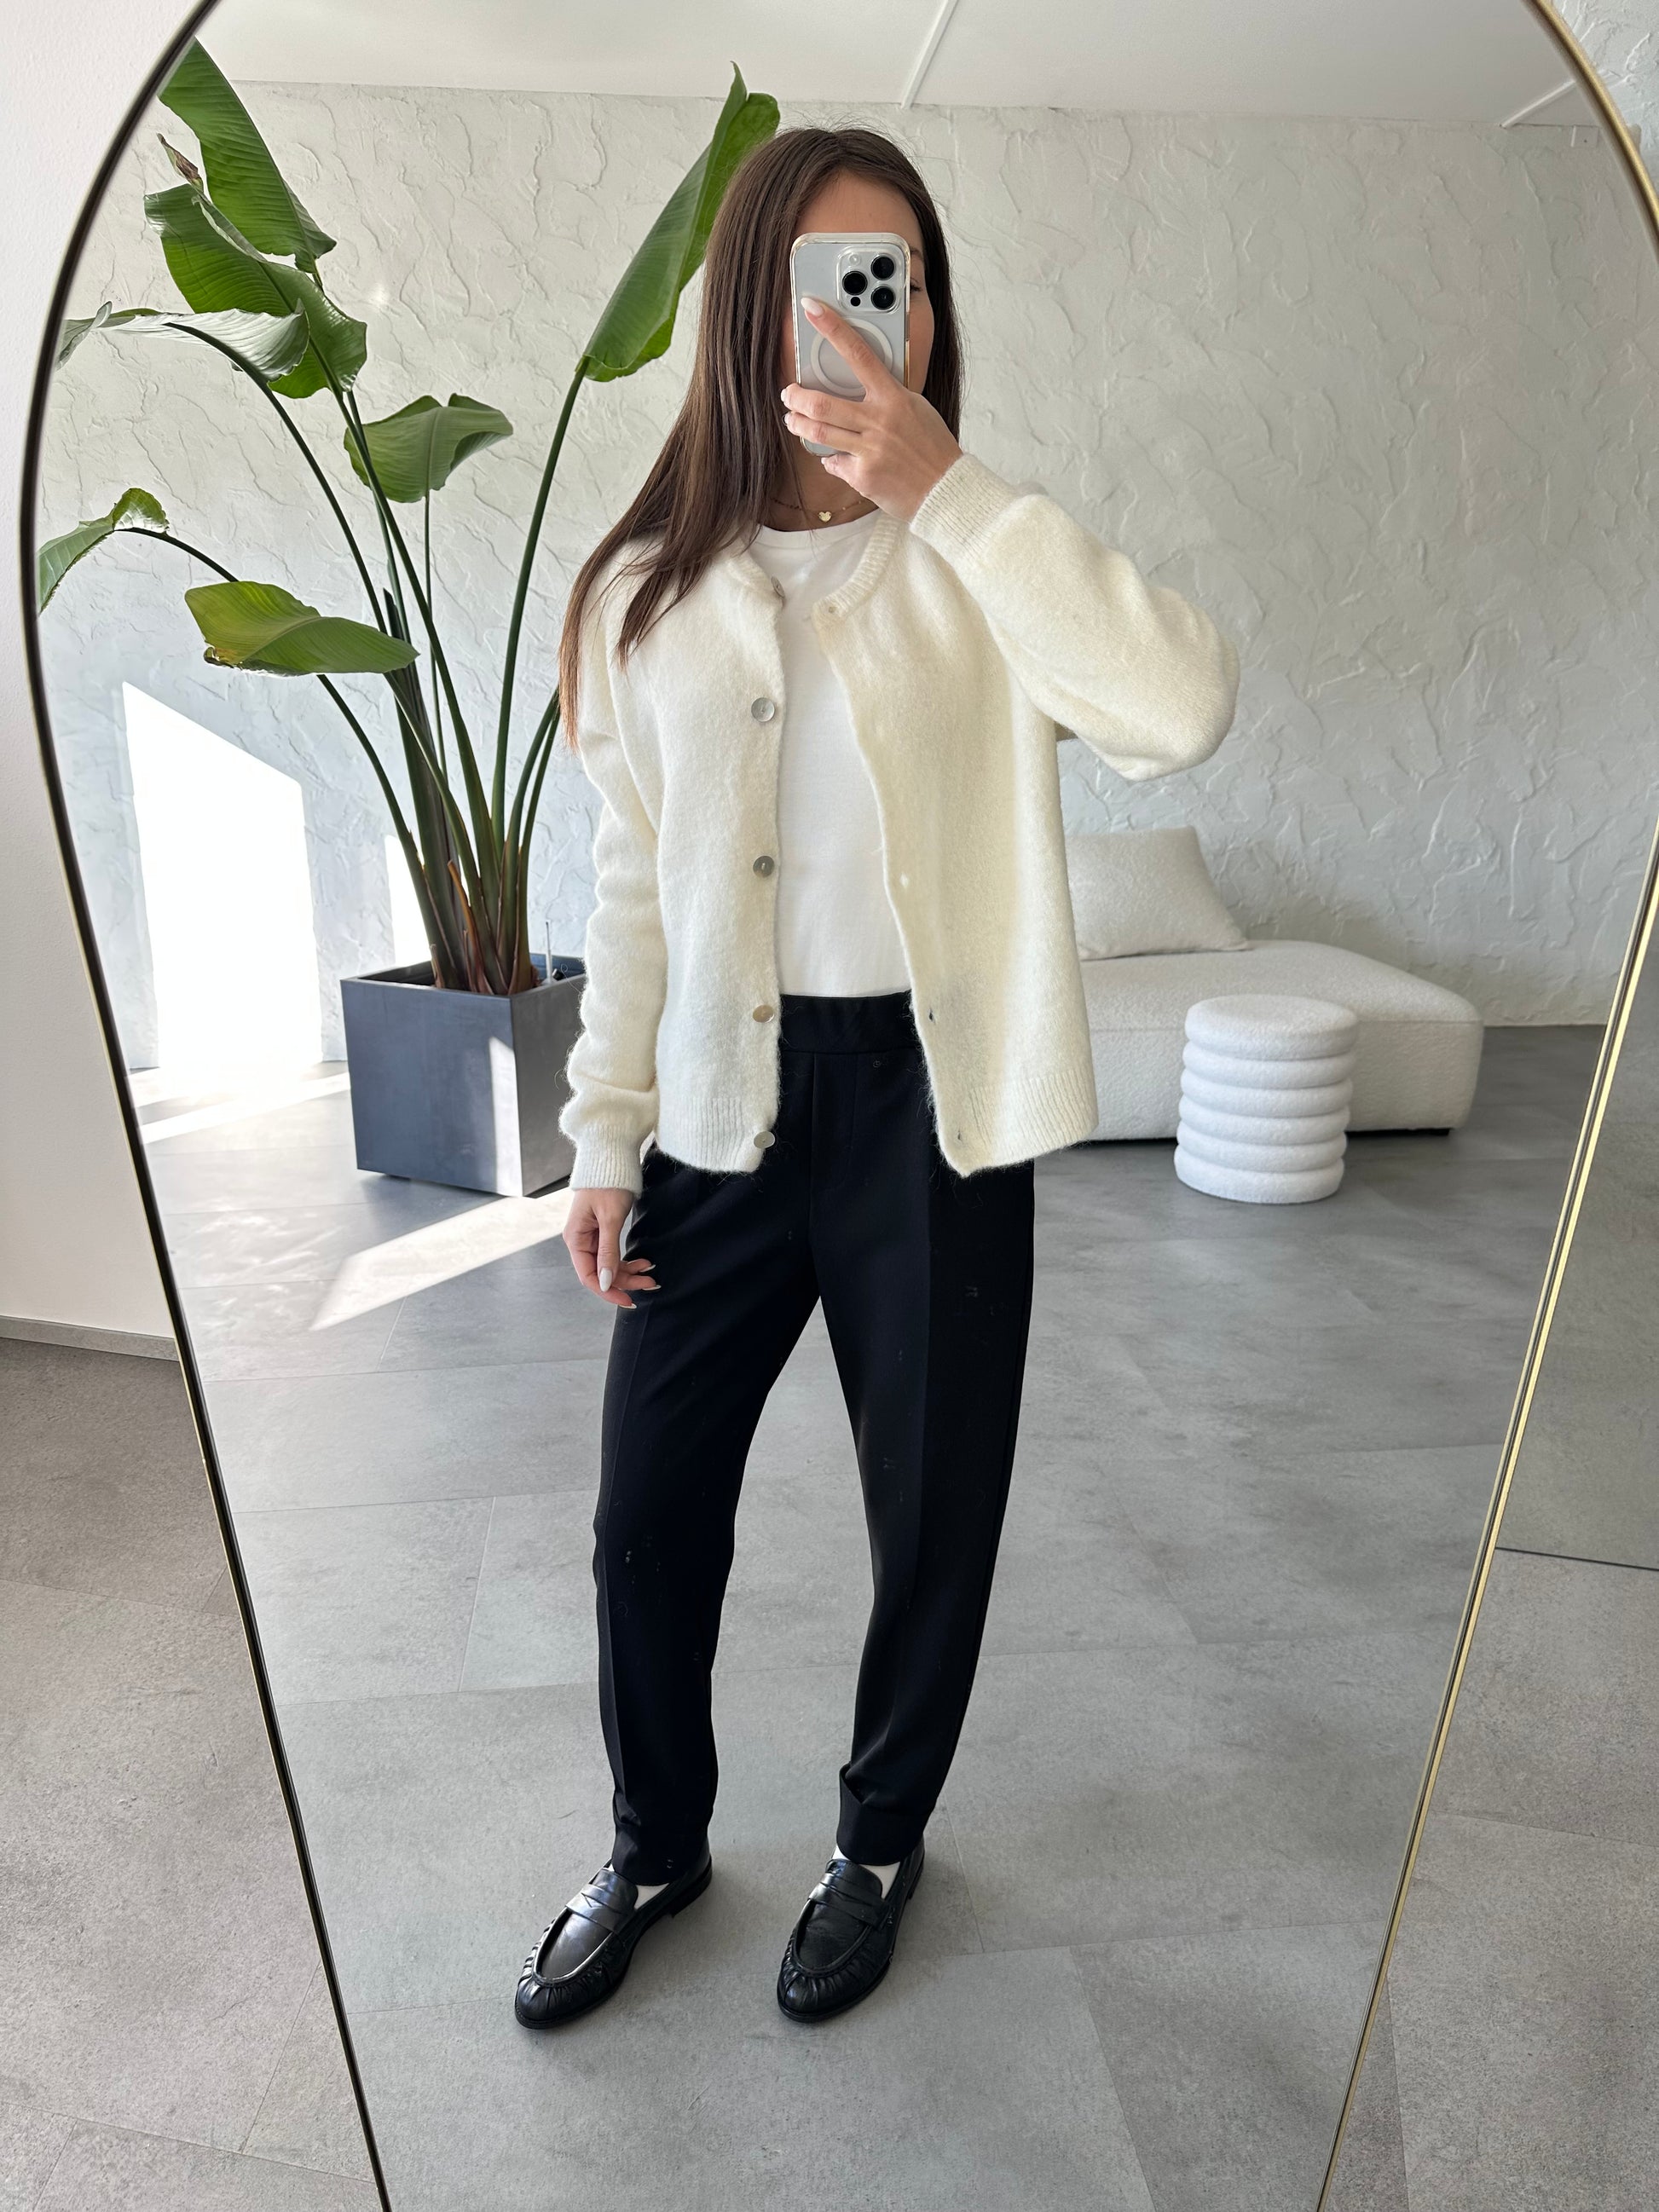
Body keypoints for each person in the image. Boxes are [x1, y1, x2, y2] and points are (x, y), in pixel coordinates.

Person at [513, 124, 1240, 2031]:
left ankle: (878, 1842)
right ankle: (653, 1845)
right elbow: (631, 890)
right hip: (716, 1111)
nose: (864, 318)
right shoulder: (640, 590)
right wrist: (602, 1141)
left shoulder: (978, 560)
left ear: (927, 313)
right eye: (826, 280)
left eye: (894, 282)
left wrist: (948, 492)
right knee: (644, 1513)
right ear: (747, 309)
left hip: (932, 1109)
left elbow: (1178, 705)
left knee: (934, 1512)